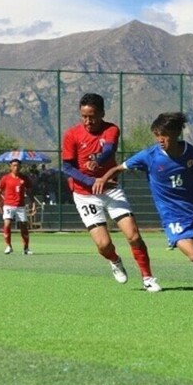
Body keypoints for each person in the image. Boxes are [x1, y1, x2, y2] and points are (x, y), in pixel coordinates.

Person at [94, 112, 193, 296]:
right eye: (157, 135)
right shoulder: (149, 155)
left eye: (164, 135)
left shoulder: (191, 153)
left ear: (176, 133)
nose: (160, 140)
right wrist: (103, 179)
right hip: (174, 216)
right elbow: (118, 168)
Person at [61, 92, 160, 292]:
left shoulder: (111, 129)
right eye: (84, 116)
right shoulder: (71, 134)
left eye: (92, 116)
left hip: (111, 190)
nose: (88, 121)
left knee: (133, 236)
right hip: (84, 194)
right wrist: (91, 180)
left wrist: (97, 162)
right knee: (103, 245)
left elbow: (108, 150)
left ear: (102, 113)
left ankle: (148, 277)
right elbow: (68, 168)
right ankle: (114, 260)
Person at [0, 159, 34, 255]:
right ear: (10, 167)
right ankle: (8, 246)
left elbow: (29, 193)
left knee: (23, 227)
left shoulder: (24, 178)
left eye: (18, 166)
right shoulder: (5, 178)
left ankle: (26, 248)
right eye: (14, 165)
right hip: (8, 205)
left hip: (20, 206)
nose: (16, 167)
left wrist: (33, 204)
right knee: (7, 224)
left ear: (20, 167)